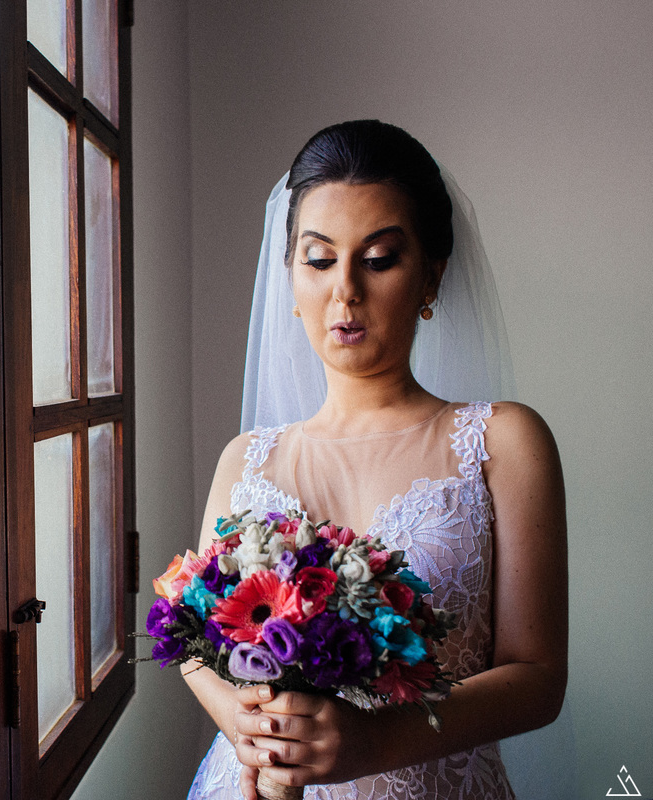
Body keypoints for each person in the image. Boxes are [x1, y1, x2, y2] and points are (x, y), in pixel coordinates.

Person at [182, 120, 568, 800]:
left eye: (380, 258)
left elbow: (536, 678)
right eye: (320, 259)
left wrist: (373, 743)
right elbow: (194, 642)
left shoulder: (502, 442)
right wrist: (241, 722)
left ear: (431, 275)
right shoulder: (246, 460)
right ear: (290, 279)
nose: (345, 292)